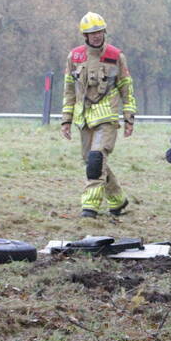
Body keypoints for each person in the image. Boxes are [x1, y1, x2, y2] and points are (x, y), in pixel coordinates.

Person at [60, 12, 137, 218]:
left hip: (107, 116)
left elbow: (126, 89)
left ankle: (90, 207)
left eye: (99, 31)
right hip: (83, 118)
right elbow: (69, 90)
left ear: (104, 32)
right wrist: (66, 120)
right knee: (93, 160)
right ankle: (118, 200)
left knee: (95, 160)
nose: (96, 36)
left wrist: (129, 117)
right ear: (85, 35)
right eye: (92, 33)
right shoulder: (74, 57)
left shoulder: (115, 56)